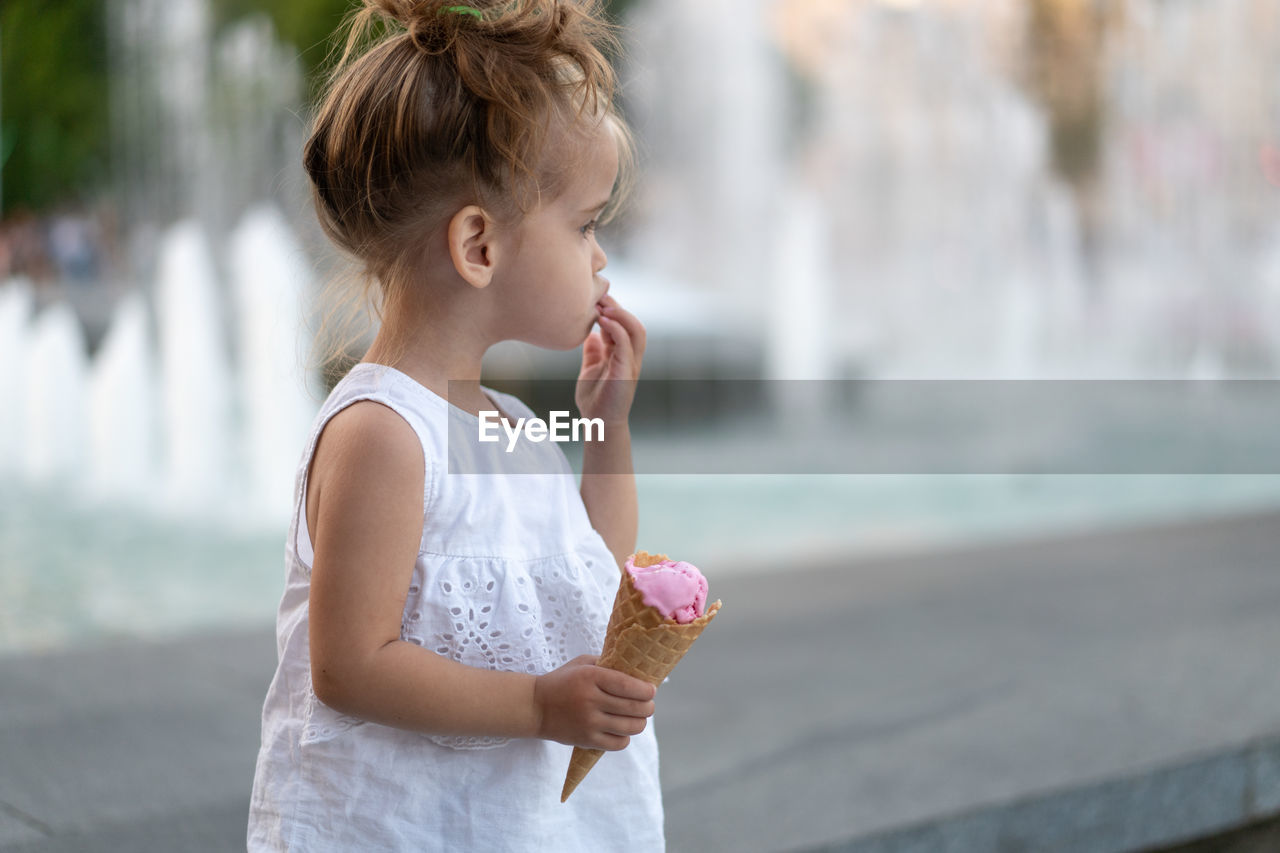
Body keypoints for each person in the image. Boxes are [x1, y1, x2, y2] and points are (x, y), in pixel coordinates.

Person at [247, 1, 662, 849]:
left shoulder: (505, 421)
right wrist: (539, 702)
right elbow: (350, 665)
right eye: (583, 224)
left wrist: (607, 429)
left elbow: (595, 564)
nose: (599, 256)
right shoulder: (383, 434)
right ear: (479, 245)